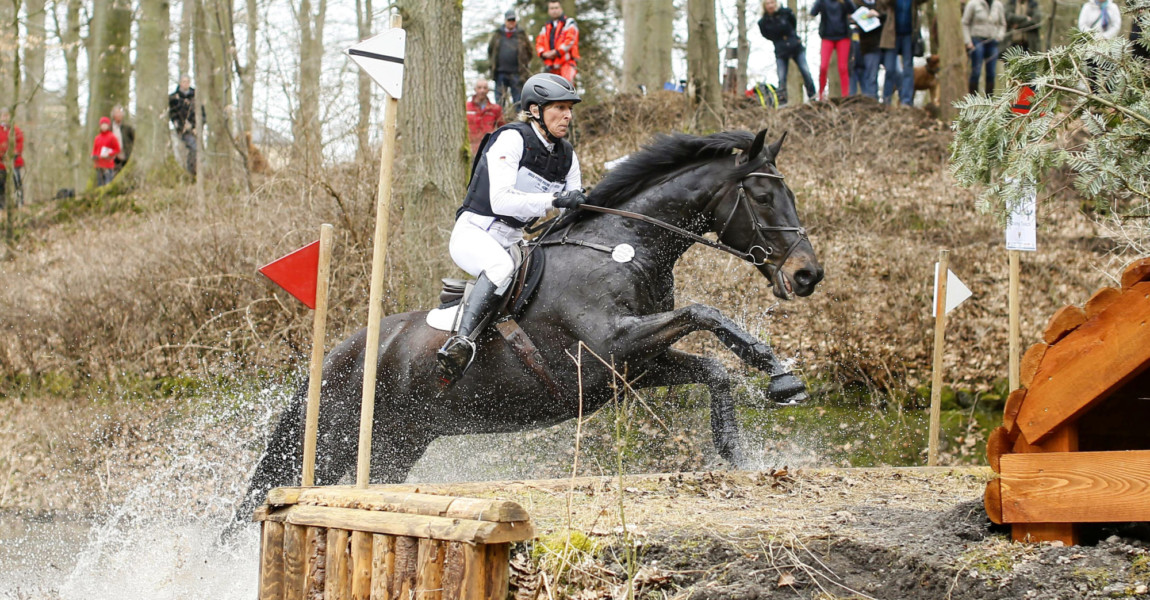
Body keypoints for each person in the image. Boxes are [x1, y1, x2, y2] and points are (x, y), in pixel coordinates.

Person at [436, 73, 585, 383]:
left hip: (515, 239)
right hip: (476, 231)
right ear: (535, 110)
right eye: (559, 107)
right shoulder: (512, 138)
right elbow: (502, 201)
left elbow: (574, 203)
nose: (567, 115)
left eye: (570, 108)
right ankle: (460, 343)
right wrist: (556, 200)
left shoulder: (567, 156)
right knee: (499, 265)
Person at [759, 0, 817, 105]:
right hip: (780, 50)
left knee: (805, 71)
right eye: (768, 3)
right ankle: (782, 101)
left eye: (772, 2)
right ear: (764, 6)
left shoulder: (786, 12)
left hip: (795, 46)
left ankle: (812, 96)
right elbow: (767, 35)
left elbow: (792, 24)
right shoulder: (763, 22)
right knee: (781, 77)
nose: (770, 6)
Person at [877, 0, 928, 106]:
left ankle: (906, 101)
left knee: (908, 69)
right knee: (890, 69)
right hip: (891, 35)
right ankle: (886, 101)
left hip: (908, 36)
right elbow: (882, 3)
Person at [811, 0, 857, 100]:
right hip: (827, 37)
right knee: (823, 67)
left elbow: (853, 10)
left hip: (843, 37)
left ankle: (845, 96)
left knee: (843, 68)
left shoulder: (844, 2)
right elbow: (813, 12)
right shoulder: (823, 2)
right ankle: (821, 95)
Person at [487, 9, 533, 106]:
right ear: (505, 21)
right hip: (500, 73)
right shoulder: (497, 35)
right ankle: (500, 121)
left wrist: (524, 65)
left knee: (519, 102)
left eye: (513, 20)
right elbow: (491, 50)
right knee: (499, 103)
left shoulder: (522, 35)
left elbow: (530, 52)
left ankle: (518, 121)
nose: (511, 22)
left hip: (517, 74)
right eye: (509, 20)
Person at [963, 0, 1006, 96]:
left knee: (991, 73)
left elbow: (1002, 24)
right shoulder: (973, 4)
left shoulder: (998, 5)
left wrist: (999, 36)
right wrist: (968, 42)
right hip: (976, 41)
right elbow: (965, 23)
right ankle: (972, 101)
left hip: (992, 42)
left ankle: (989, 101)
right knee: (976, 72)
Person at [536, 1, 580, 84]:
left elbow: (570, 40)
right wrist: (543, 53)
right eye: (552, 8)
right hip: (550, 66)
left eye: (556, 8)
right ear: (549, 11)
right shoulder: (546, 27)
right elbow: (539, 43)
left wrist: (556, 52)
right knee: (548, 90)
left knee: (566, 88)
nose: (554, 11)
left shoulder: (569, 23)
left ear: (561, 9)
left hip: (566, 63)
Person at [851, 0, 884, 99]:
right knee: (869, 76)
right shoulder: (855, 4)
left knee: (894, 72)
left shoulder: (881, 3)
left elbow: (887, 17)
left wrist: (878, 15)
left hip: (884, 43)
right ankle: (871, 102)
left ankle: (879, 100)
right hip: (866, 46)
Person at [169, 75, 198, 176]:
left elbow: (201, 113)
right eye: (183, 82)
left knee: (195, 148)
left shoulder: (195, 96)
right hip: (181, 129)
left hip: (194, 129)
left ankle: (192, 172)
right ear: (180, 83)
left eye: (187, 82)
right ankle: (188, 172)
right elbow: (172, 114)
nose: (186, 84)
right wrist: (180, 126)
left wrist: (196, 126)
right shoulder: (174, 97)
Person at [467, 78, 504, 156]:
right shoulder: (466, 107)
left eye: (485, 88)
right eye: (479, 87)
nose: (482, 90)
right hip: (470, 148)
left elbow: (502, 129)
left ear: (488, 90)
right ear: (475, 89)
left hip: (488, 150)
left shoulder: (495, 109)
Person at [0, 108, 24, 209]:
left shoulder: (15, 129)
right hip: (1, 163)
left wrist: (14, 153)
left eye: (7, 115)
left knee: (17, 182)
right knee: (1, 185)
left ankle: (20, 203)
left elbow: (20, 142)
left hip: (14, 162)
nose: (5, 118)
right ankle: (2, 206)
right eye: (3, 115)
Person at [92, 117, 121, 188]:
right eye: (102, 124)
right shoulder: (97, 138)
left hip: (108, 165)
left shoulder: (112, 137)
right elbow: (94, 150)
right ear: (100, 126)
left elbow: (117, 149)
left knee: (108, 185)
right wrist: (93, 156)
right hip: (99, 165)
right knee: (100, 186)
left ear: (108, 126)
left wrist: (108, 154)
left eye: (105, 124)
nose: (104, 126)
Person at [110, 105, 135, 174]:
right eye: (117, 113)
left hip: (125, 156)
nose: (119, 115)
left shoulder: (127, 128)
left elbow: (133, 139)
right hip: (113, 158)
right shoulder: (110, 128)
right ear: (113, 115)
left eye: (120, 113)